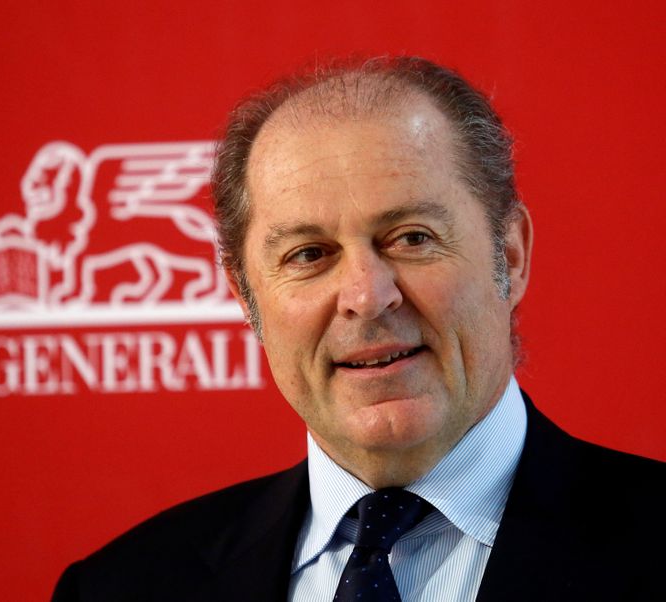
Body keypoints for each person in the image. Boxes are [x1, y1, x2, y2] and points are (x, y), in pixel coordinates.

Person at [51, 56, 664, 601]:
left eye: (412, 238)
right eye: (309, 254)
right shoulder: (122, 585)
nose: (368, 297)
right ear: (246, 297)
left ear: (512, 255)